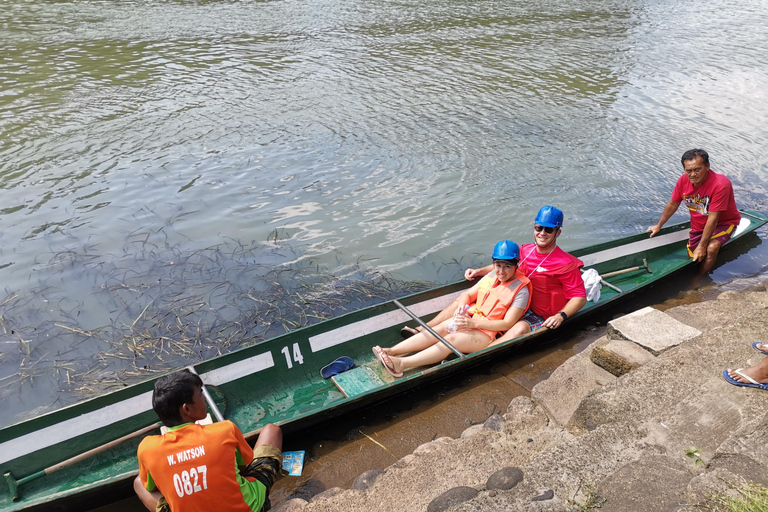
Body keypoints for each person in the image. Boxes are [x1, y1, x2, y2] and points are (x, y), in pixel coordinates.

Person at [399, 207, 586, 342]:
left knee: (519, 328)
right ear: (534, 228)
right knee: (467, 299)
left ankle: (484, 348)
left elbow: (579, 297)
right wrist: (480, 271)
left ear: (558, 232)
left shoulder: (566, 263)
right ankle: (423, 330)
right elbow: (505, 265)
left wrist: (561, 316)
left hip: (540, 314)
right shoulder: (526, 250)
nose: (542, 233)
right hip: (515, 302)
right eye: (539, 228)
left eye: (549, 229)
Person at [374, 241, 531, 377]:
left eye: (507, 267)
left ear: (516, 265)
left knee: (451, 340)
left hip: (487, 334)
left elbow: (507, 324)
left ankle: (401, 364)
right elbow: (468, 294)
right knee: (439, 329)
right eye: (498, 266)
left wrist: (473, 325)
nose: (501, 272)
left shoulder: (521, 290)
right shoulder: (492, 275)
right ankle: (391, 351)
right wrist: (462, 306)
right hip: (472, 320)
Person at [134, 370, 283, 512]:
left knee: (138, 483)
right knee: (272, 430)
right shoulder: (224, 430)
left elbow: (152, 488)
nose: (204, 399)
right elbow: (244, 467)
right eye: (200, 395)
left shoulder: (147, 448)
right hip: (248, 508)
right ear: (186, 409)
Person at [647, 149, 741, 276]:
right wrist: (659, 226)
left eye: (697, 169)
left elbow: (713, 218)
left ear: (707, 166)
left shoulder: (720, 184)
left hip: (723, 223)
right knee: (693, 254)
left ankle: (698, 280)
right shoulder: (683, 181)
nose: (693, 174)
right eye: (688, 171)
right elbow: (673, 203)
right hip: (699, 225)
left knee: (711, 248)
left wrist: (702, 246)